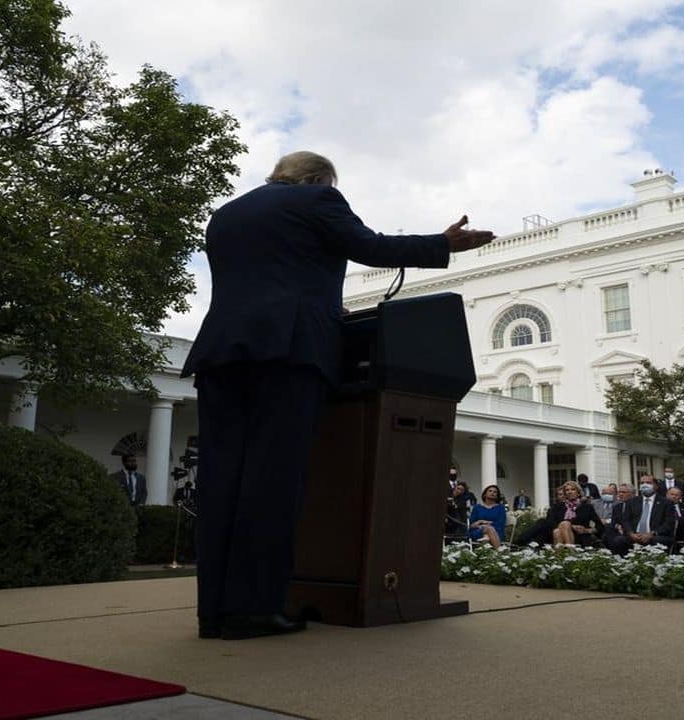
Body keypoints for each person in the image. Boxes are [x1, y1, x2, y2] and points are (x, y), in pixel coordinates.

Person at [182, 151, 494, 640]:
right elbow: (368, 246)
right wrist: (443, 243)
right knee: (272, 482)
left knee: (223, 481)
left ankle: (215, 612)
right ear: (318, 178)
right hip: (289, 350)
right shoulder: (319, 198)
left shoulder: (227, 214)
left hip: (222, 353)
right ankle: (256, 609)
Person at [607, 476, 674, 556]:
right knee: (619, 540)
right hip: (635, 536)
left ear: (656, 486)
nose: (644, 485)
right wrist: (631, 533)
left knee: (657, 541)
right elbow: (626, 521)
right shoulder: (632, 502)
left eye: (648, 483)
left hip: (656, 535)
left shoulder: (666, 503)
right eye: (642, 483)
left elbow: (669, 523)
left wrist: (652, 534)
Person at [550, 481, 606, 547]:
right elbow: (552, 524)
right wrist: (571, 526)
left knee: (558, 531)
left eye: (573, 489)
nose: (570, 492)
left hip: (581, 535)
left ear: (578, 493)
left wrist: (587, 530)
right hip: (561, 533)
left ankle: (560, 556)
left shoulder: (587, 507)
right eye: (567, 490)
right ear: (565, 493)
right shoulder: (557, 507)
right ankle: (572, 552)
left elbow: (600, 526)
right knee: (560, 529)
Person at [665, 486, 684, 552]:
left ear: (680, 497)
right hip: (668, 531)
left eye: (676, 495)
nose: (674, 497)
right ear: (667, 495)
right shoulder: (662, 506)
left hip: (683, 531)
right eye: (672, 494)